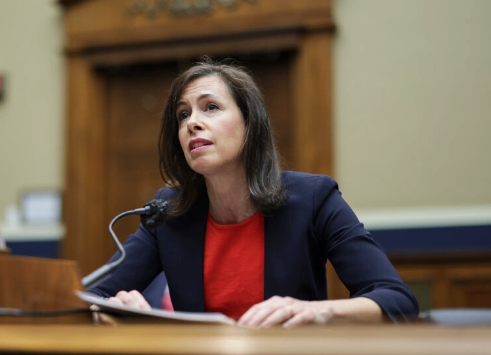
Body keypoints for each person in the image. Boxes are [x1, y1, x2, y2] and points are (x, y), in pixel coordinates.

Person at [90, 58, 418, 327]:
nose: (193, 123)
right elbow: (93, 295)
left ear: (250, 124)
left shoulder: (314, 198)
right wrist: (117, 308)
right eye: (183, 114)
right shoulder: (169, 211)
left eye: (211, 107)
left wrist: (321, 311)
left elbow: (397, 299)